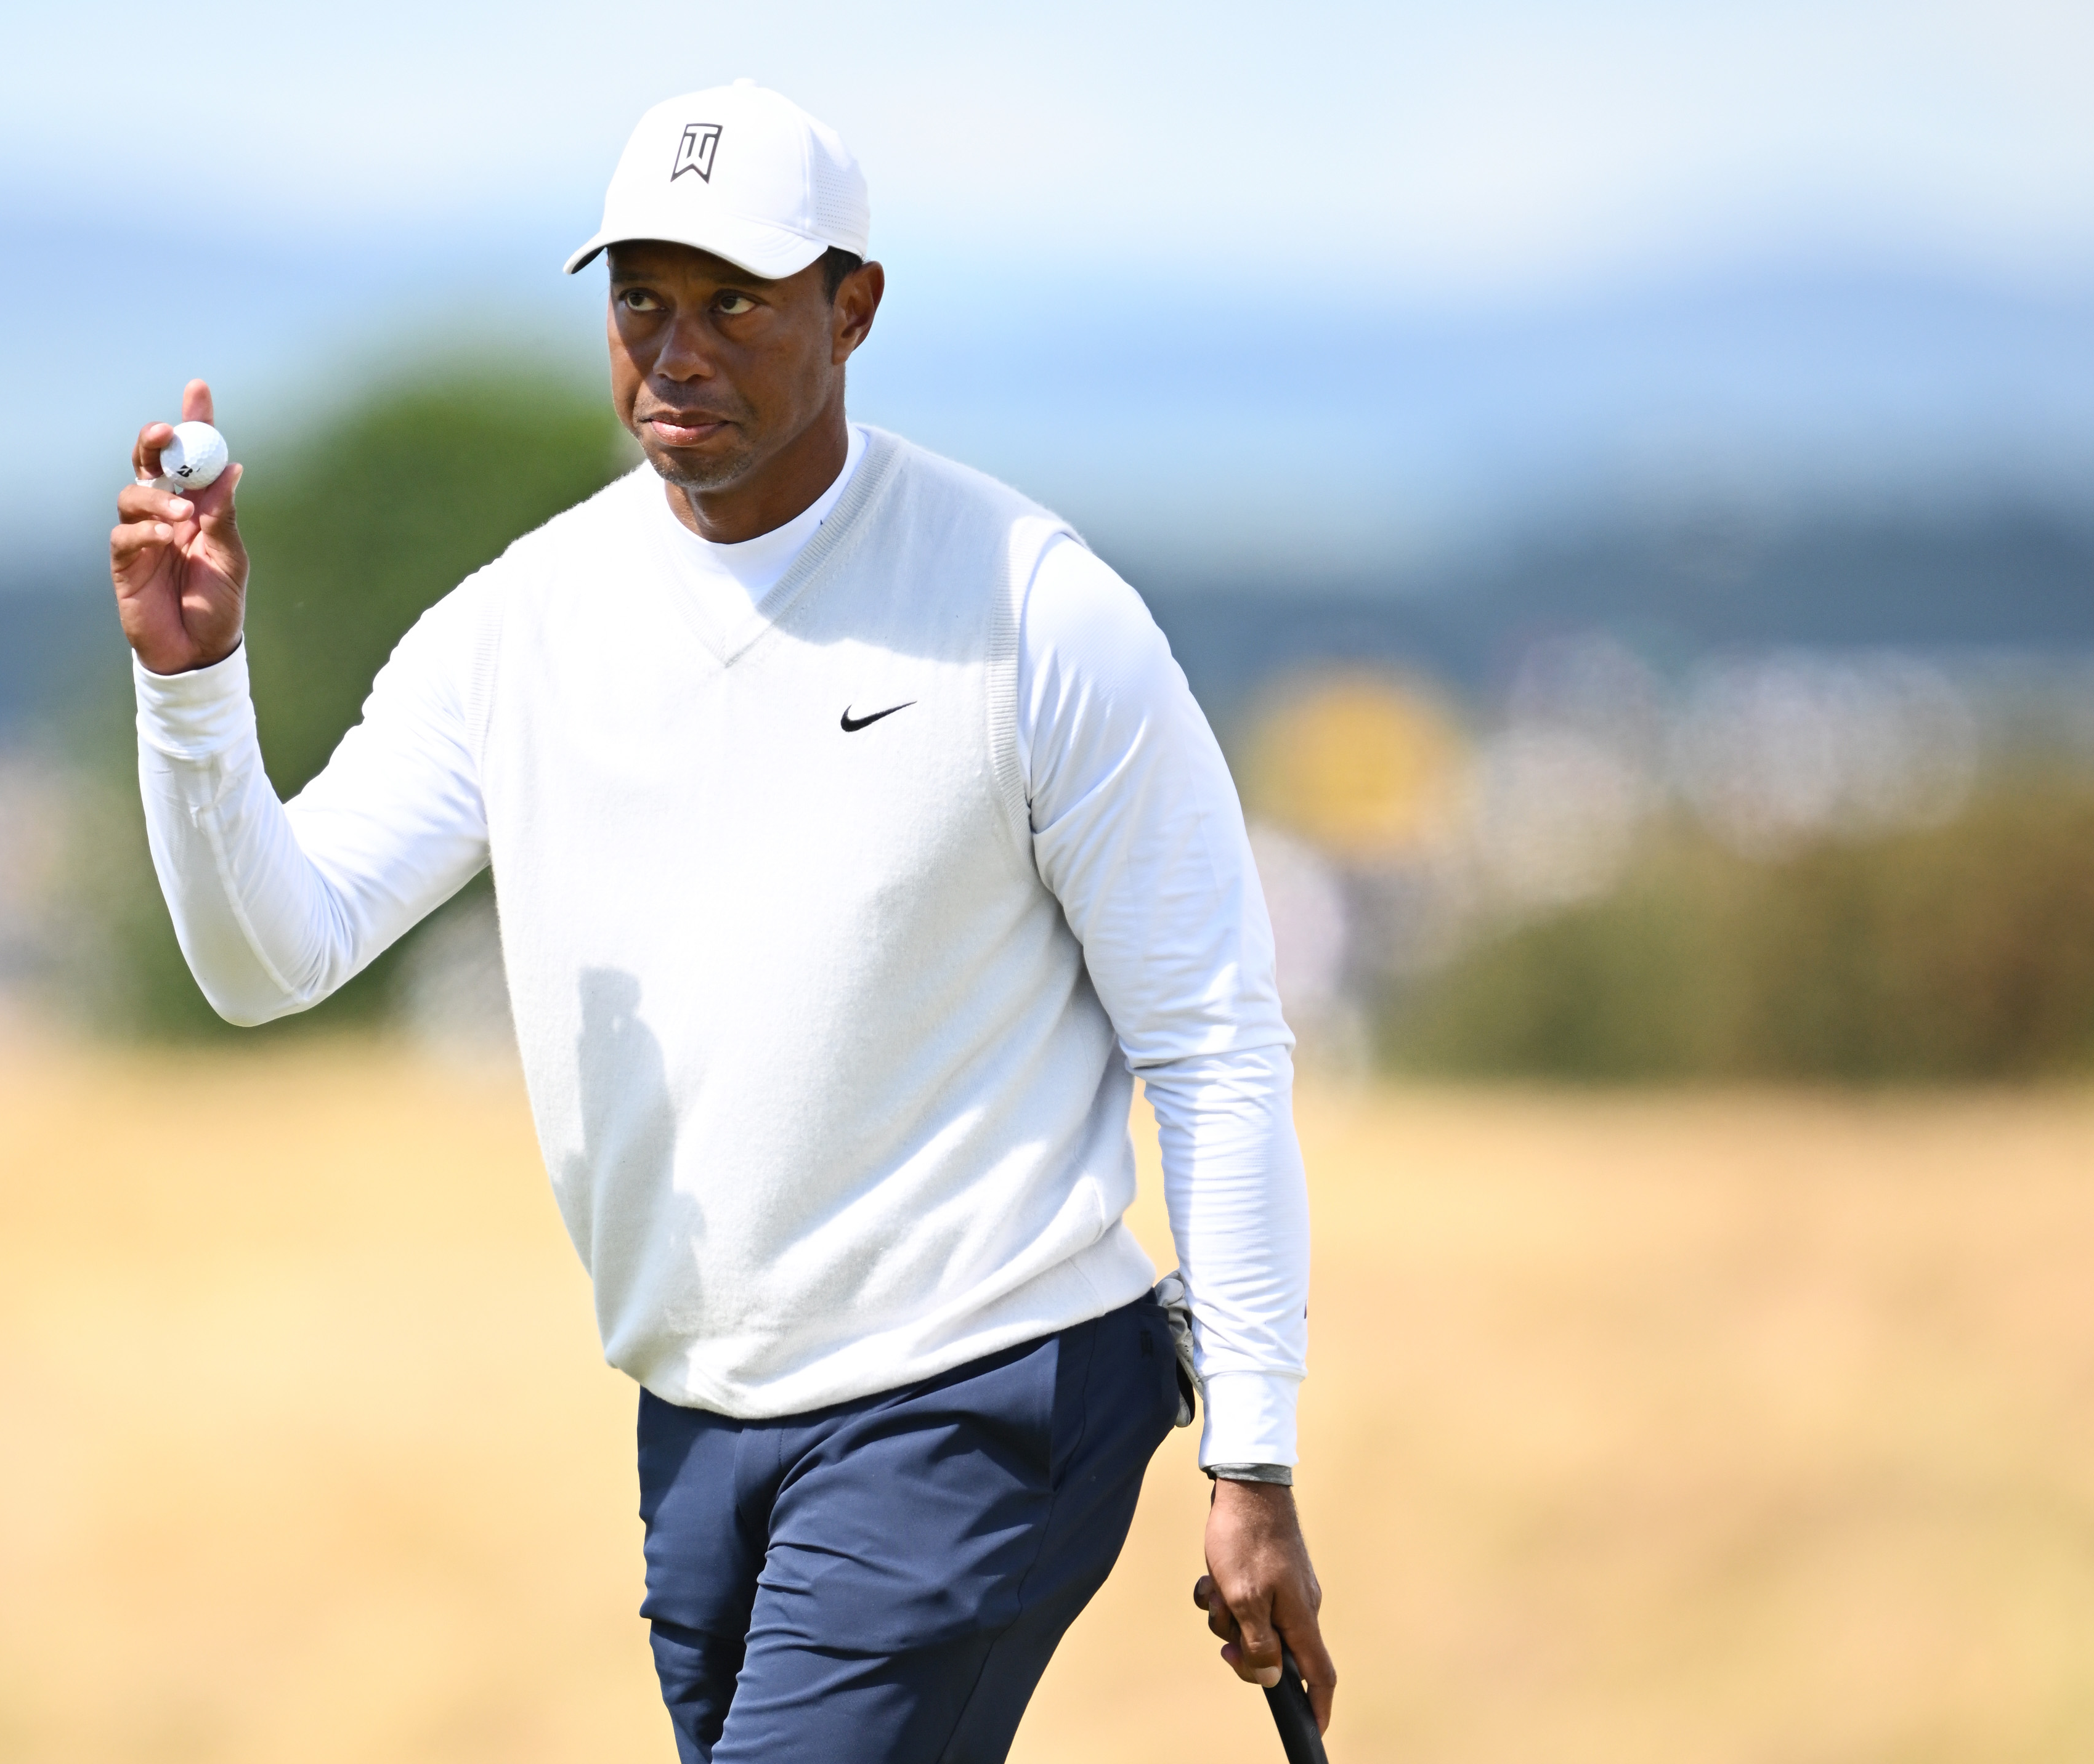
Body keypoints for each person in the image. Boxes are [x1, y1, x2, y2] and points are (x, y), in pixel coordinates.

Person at [109, 79, 1331, 1764]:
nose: (675, 350)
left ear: (856, 307)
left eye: (735, 303)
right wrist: (193, 692)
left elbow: (1211, 1035)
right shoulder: (520, 626)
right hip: (697, 1422)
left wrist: (1250, 1457)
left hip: (981, 1390)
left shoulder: (1035, 611)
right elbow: (272, 956)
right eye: (639, 301)